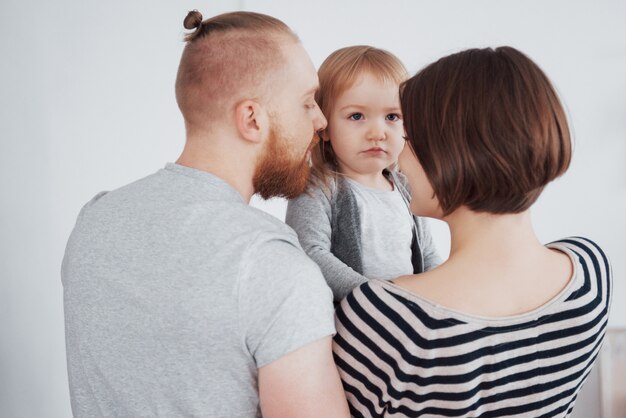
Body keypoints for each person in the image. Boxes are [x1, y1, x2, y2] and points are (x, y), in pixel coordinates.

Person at [61, 10, 349, 418]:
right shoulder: (271, 264)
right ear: (252, 119)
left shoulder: (94, 222)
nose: (320, 121)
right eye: (307, 103)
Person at [333, 46, 612, 417]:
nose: (398, 157)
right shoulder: (590, 271)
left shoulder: (385, 315)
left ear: (450, 154)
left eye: (409, 139)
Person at [286, 46, 441, 302]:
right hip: (354, 321)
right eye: (357, 116)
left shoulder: (406, 188)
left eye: (392, 116)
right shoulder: (317, 188)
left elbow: (428, 253)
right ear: (324, 126)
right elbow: (310, 252)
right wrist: (375, 297)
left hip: (407, 313)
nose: (377, 132)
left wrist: (441, 292)